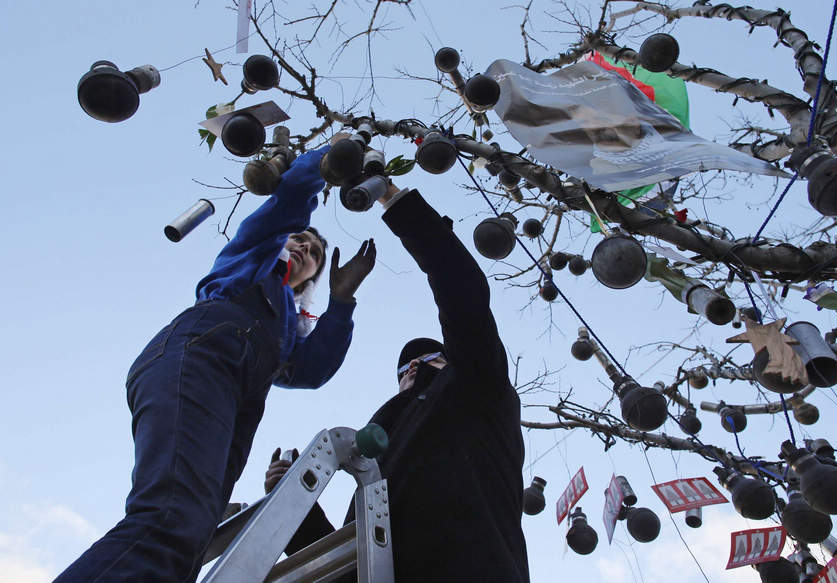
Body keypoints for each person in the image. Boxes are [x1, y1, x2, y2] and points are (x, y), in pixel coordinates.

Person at [56, 147, 376, 583]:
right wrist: (324, 163)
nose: (306, 247)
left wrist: (340, 302)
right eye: (300, 239)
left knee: (190, 539)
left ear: (309, 282)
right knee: (170, 518)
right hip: (201, 355)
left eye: (316, 254)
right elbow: (285, 207)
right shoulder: (250, 260)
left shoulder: (284, 325)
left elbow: (310, 371)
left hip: (239, 395)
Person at [265, 181, 530, 582]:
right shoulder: (374, 453)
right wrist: (295, 503)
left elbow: (462, 291)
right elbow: (350, 563)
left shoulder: (477, 388)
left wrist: (393, 198)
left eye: (426, 360)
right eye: (404, 368)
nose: (410, 369)